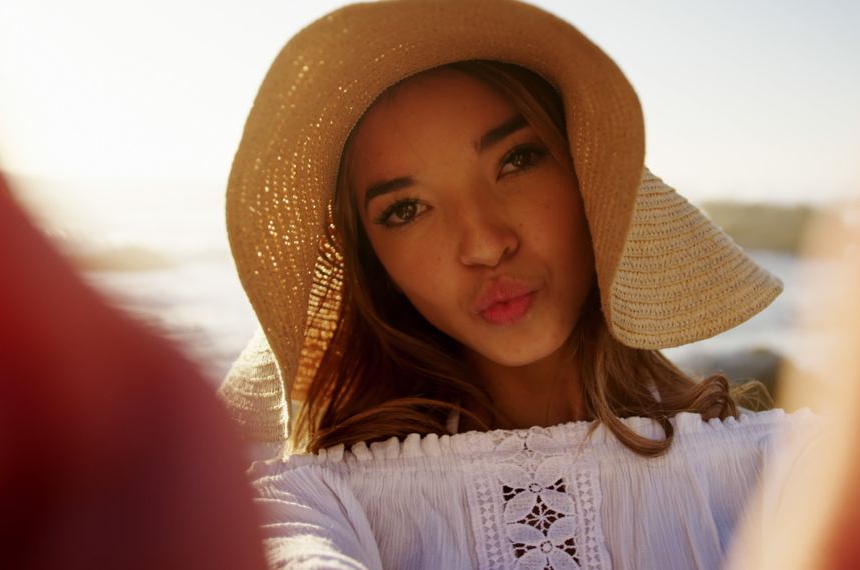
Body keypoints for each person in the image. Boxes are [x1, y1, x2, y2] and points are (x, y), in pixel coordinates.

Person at [216, 1, 819, 567]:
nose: (483, 244)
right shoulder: (327, 500)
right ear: (378, 267)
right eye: (406, 210)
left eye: (517, 161)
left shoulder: (783, 468)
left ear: (586, 173)